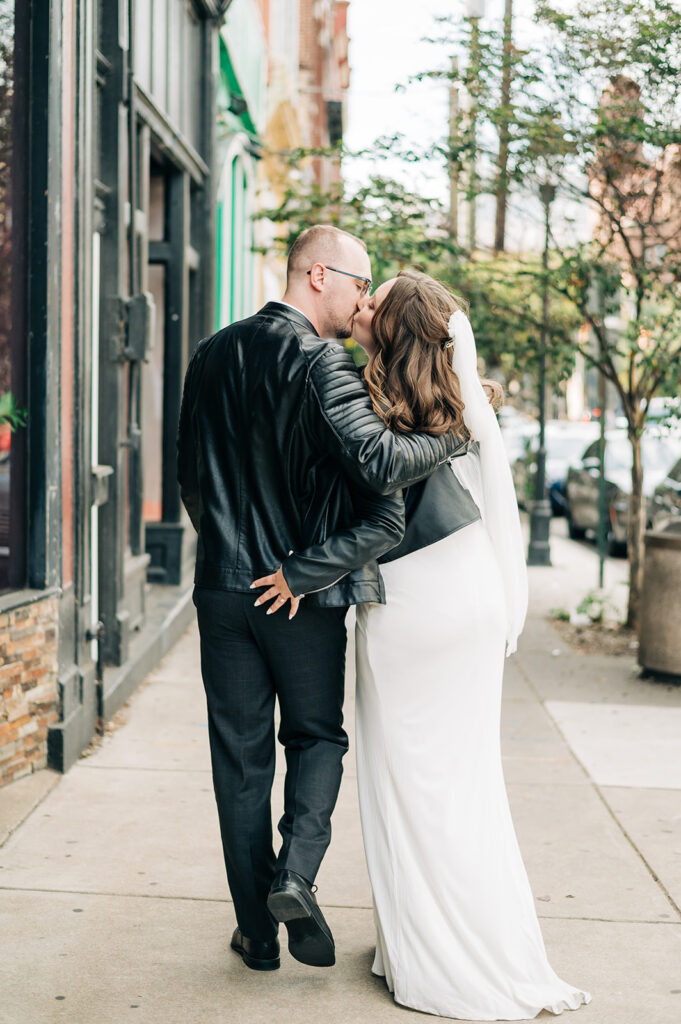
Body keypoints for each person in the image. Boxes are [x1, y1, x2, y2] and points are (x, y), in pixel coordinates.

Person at [258, 270, 591, 1018]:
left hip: (416, 605)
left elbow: (381, 523)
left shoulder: (377, 408)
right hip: (468, 589)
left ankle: (440, 959)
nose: (361, 304)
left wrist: (299, 574)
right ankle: (457, 942)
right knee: (461, 781)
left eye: (375, 301)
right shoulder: (447, 409)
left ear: (398, 328)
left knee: (413, 784)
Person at [176, 228, 469, 974]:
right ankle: (295, 877)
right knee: (314, 739)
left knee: (237, 763)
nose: (363, 300)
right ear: (316, 274)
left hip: (220, 589)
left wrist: (224, 553)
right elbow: (377, 469)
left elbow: (188, 478)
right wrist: (459, 429)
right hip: (299, 594)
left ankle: (256, 934)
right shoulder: (321, 365)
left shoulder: (207, 354)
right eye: (358, 282)